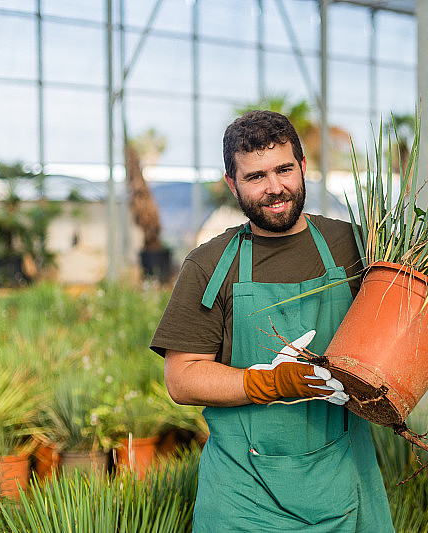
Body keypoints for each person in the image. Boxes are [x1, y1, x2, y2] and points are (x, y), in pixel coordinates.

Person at [151, 110, 395, 532]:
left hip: (340, 482)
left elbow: (407, 319)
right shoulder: (210, 264)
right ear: (233, 183)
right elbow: (182, 378)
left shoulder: (356, 245)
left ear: (303, 167)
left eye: (284, 169)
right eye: (255, 176)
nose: (275, 188)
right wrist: (271, 382)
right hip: (242, 499)